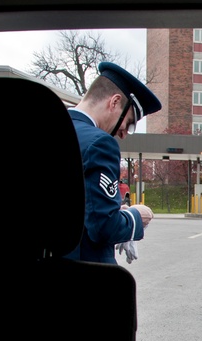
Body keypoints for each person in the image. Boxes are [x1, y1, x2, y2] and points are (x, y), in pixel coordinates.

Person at [65, 62, 162, 264]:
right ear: (115, 102)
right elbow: (103, 227)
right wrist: (135, 218)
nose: (124, 134)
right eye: (127, 123)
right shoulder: (100, 144)